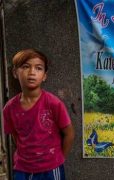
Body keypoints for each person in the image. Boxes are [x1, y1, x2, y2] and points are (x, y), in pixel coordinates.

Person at [2, 49, 75, 180]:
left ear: (44, 75)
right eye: (25, 66)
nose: (31, 72)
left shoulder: (53, 103)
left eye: (38, 68)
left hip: (51, 169)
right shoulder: (9, 108)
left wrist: (59, 158)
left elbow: (69, 134)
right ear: (14, 72)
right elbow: (15, 136)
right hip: (22, 168)